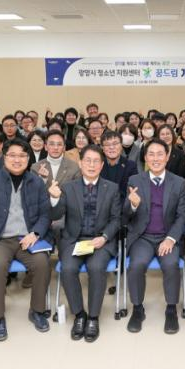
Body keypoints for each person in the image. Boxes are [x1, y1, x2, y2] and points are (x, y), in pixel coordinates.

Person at [0, 138, 53, 341]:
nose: (17, 160)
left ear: (28, 159)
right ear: (4, 156)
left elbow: (45, 214)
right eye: (12, 155)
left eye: (22, 156)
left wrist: (35, 233)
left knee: (42, 263)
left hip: (27, 238)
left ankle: (37, 310)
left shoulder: (36, 182)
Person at [49, 145, 121, 342]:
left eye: (96, 161)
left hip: (100, 241)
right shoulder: (68, 187)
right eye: (87, 160)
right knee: (68, 269)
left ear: (102, 165)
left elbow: (116, 219)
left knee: (96, 267)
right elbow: (56, 214)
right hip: (74, 240)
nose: (91, 165)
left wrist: (104, 237)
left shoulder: (112, 188)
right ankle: (79, 314)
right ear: (80, 163)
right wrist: (54, 199)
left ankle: (93, 317)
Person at [124, 138, 185, 334]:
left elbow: (182, 215)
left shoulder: (179, 182)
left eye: (160, 154)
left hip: (167, 236)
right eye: (151, 154)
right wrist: (133, 204)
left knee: (171, 264)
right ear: (145, 157)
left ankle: (171, 310)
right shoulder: (135, 180)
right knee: (136, 265)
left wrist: (170, 239)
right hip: (142, 237)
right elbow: (125, 215)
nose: (155, 158)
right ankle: (138, 309)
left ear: (167, 157)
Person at [100, 130, 138, 201]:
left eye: (115, 144)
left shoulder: (131, 166)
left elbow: (132, 192)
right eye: (107, 144)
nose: (111, 147)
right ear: (102, 148)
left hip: (123, 206)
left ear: (121, 146)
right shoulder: (98, 166)